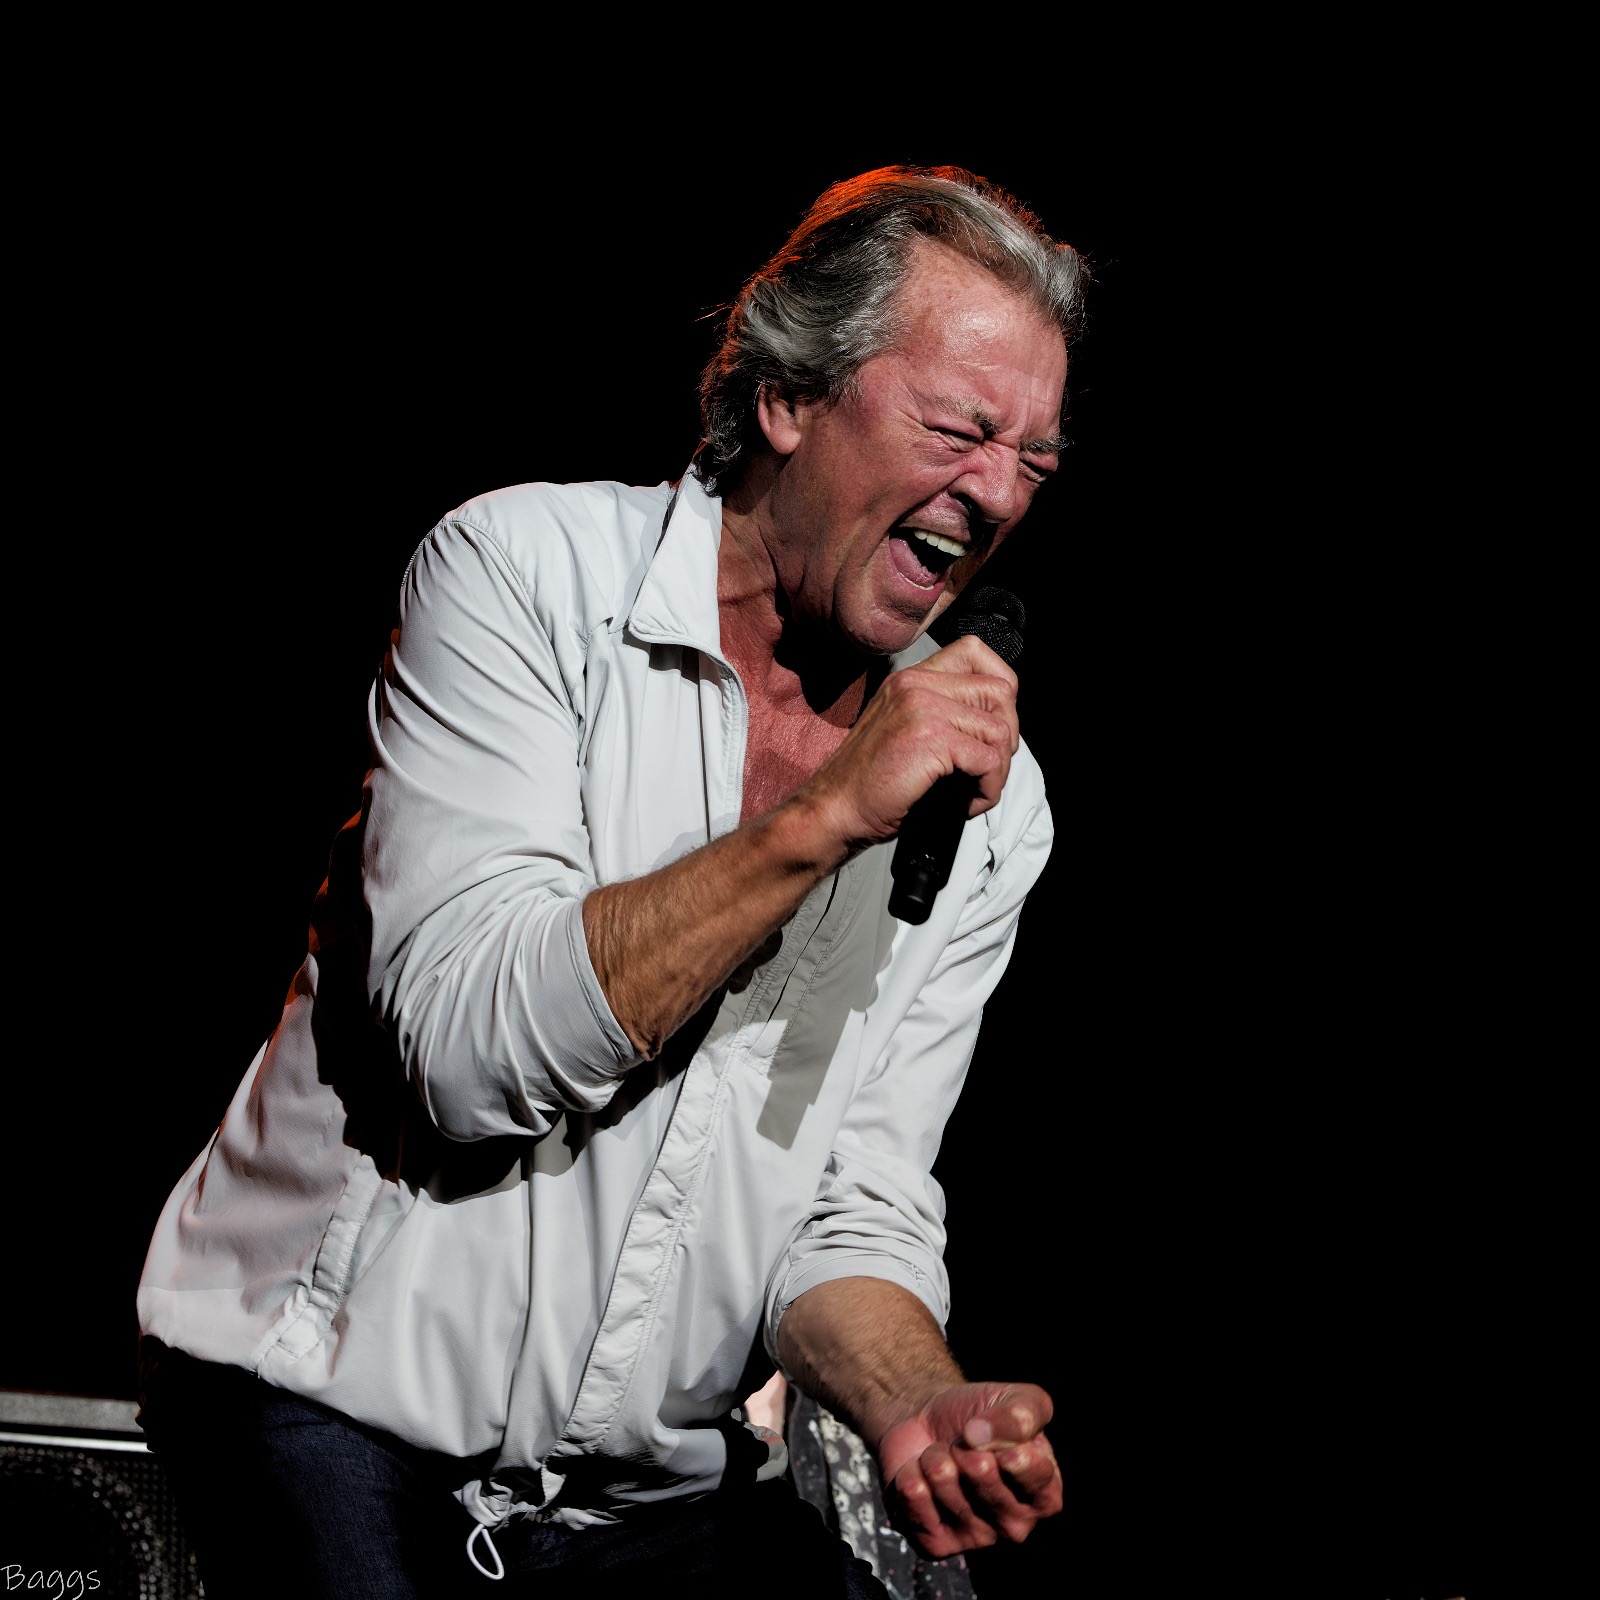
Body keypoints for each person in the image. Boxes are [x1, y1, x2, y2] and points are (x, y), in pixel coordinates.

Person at [135, 163, 1088, 1598]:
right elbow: (465, 1055)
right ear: (788, 397)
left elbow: (850, 1205)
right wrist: (826, 816)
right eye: (961, 430)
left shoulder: (992, 809)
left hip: (638, 1507)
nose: (1000, 492)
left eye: (1036, 462)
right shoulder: (526, 577)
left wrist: (916, 1405)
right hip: (324, 1410)